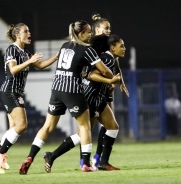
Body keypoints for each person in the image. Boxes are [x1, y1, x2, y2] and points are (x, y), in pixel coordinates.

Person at [18, 20, 114, 174]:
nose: (90, 35)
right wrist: (112, 78)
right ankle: (86, 164)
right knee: (85, 127)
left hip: (56, 89)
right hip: (72, 90)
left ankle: (30, 157)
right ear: (81, 33)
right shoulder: (87, 50)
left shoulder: (64, 46)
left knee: (47, 127)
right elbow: (105, 71)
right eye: (89, 32)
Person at [42, 34, 126, 172]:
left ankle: (102, 162)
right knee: (83, 134)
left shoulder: (110, 58)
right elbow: (91, 74)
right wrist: (109, 81)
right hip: (91, 98)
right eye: (121, 46)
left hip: (98, 99)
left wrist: (113, 84)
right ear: (112, 47)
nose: (124, 48)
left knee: (113, 127)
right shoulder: (107, 59)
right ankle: (53, 155)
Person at [0, 23, 58, 174]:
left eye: (29, 30)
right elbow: (13, 70)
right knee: (21, 126)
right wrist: (30, 62)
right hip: (10, 91)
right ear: (18, 35)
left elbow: (40, 65)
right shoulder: (12, 49)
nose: (29, 33)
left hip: (16, 92)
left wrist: (57, 56)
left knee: (13, 128)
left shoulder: (25, 52)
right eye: (26, 31)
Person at [87, 12, 129, 170]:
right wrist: (109, 80)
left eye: (109, 28)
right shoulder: (92, 45)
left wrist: (120, 82)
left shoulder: (109, 44)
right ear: (97, 30)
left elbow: (115, 65)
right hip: (93, 89)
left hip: (105, 88)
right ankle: (86, 161)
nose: (108, 30)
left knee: (109, 124)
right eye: (106, 28)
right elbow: (89, 70)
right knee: (86, 129)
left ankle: (97, 158)